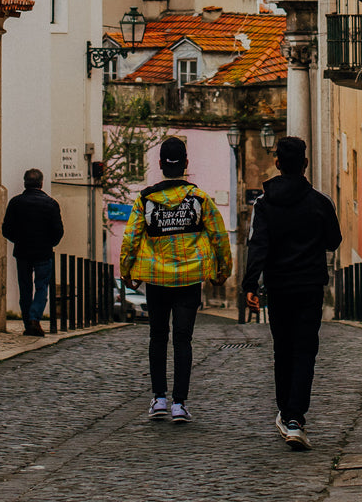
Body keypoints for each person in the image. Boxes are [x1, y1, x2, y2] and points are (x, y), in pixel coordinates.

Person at [120, 136, 232, 423]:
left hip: (156, 280)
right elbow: (219, 236)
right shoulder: (200, 199)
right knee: (183, 340)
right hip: (189, 279)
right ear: (186, 164)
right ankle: (179, 403)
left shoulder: (145, 199)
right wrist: (223, 270)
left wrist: (127, 270)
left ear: (159, 165)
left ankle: (158, 398)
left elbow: (131, 237)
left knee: (157, 337)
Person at [243, 135, 341, 451]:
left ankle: (286, 413)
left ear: (277, 163)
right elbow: (334, 241)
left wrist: (249, 283)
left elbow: (258, 244)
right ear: (305, 164)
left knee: (282, 350)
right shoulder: (321, 202)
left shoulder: (264, 204)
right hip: (310, 286)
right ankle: (296, 418)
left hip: (279, 287)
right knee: (305, 351)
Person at [1, 167, 64, 336]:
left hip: (22, 252)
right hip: (43, 252)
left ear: (25, 183)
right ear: (41, 183)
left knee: (25, 288)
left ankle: (28, 323)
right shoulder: (51, 204)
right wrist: (49, 243)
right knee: (42, 287)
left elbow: (6, 229)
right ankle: (35, 318)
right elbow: (58, 231)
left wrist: (19, 240)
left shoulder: (16, 203)